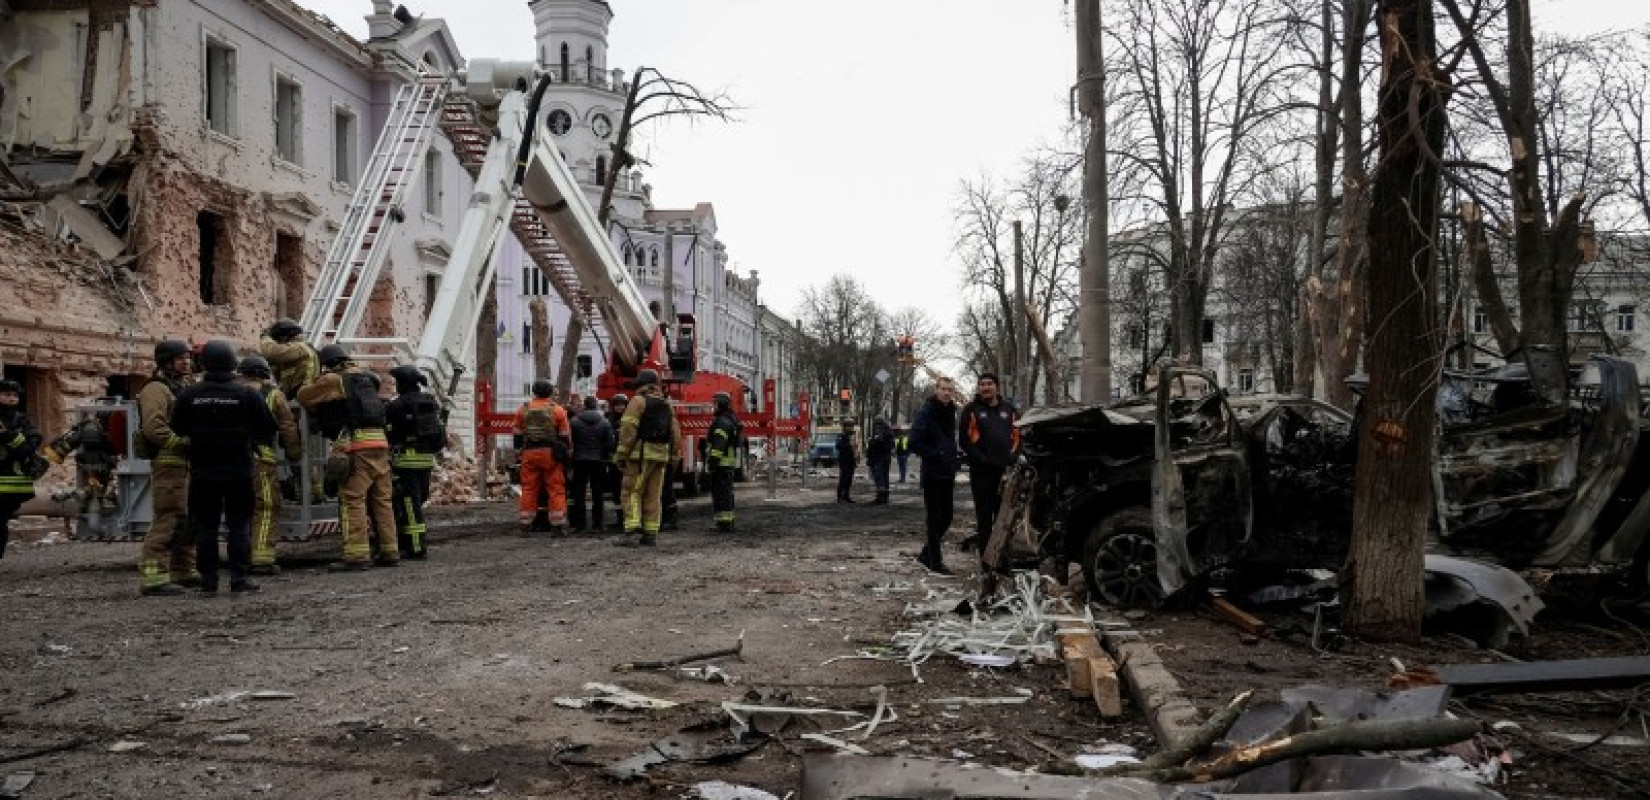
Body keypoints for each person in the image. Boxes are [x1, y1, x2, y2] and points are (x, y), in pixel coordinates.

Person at [172, 341, 278, 594]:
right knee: (239, 526)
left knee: (206, 526)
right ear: (233, 364)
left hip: (202, 471)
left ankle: (209, 582)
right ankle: (239, 579)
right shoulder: (248, 394)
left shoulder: (189, 395)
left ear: (203, 363)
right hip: (239, 470)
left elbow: (177, 428)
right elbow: (268, 429)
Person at [298, 344, 399, 570]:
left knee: (352, 498)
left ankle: (356, 556)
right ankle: (390, 550)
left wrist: (314, 380)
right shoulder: (366, 380)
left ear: (330, 365)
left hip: (358, 445)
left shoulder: (335, 380)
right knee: (381, 500)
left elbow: (303, 396)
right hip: (380, 443)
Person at [135, 339, 198, 596]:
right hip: (169, 462)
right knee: (169, 517)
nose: (187, 362)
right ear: (165, 362)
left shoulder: (184, 387)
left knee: (188, 518)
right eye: (180, 358)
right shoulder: (156, 389)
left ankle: (183, 570)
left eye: (188, 357)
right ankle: (154, 577)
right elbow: (153, 426)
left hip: (188, 462)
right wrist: (180, 444)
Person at [237, 356, 301, 575]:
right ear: (263, 373)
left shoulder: (227, 391)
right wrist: (294, 455)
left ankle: (238, 555)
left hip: (225, 460)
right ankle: (262, 557)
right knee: (265, 506)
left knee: (237, 509)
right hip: (259, 459)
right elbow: (287, 427)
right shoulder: (272, 395)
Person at [385, 365, 444, 559]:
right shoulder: (430, 402)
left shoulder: (395, 406)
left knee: (410, 505)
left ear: (402, 383)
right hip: (426, 460)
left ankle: (417, 547)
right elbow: (439, 436)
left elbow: (390, 434)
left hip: (405, 463)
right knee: (418, 501)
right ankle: (409, 541)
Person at [615, 369, 679, 547]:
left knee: (631, 491)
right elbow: (675, 432)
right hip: (661, 456)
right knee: (653, 494)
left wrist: (622, 454)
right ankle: (650, 533)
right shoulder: (666, 404)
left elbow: (628, 428)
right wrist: (674, 457)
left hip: (639, 455)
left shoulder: (637, 401)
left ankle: (632, 532)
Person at [958, 373, 1020, 552]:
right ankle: (986, 563)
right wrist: (981, 458)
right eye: (982, 384)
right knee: (984, 519)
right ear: (978, 388)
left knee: (1004, 518)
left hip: (1005, 473)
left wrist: (1013, 456)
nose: (986, 387)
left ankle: (1002, 559)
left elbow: (1018, 435)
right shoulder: (971, 409)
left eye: (989, 384)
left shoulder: (1009, 410)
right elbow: (964, 440)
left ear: (996, 387)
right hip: (981, 474)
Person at [909, 377, 962, 575]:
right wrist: (937, 454)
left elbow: (948, 440)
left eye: (950, 389)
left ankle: (926, 553)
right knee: (934, 518)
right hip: (932, 472)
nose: (947, 393)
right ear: (936, 390)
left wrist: (954, 457)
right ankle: (935, 561)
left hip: (947, 472)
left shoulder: (951, 412)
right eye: (943, 389)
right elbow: (914, 442)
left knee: (947, 517)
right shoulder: (926, 412)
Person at [512, 379, 572, 535]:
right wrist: (566, 452)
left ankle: (525, 523)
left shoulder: (523, 409)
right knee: (555, 487)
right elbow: (564, 435)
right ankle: (557, 525)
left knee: (529, 488)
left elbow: (517, 433)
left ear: (534, 392)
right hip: (550, 453)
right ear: (550, 392)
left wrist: (518, 451)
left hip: (529, 453)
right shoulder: (557, 410)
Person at [0, 379, 43, 560]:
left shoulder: (22, 420)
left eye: (15, 395)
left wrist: (8, 436)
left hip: (10, 483)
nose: (11, 398)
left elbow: (30, 446)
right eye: (7, 394)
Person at [568, 395, 614, 534]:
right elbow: (609, 443)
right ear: (596, 406)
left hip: (580, 460)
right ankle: (598, 524)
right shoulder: (605, 422)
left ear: (585, 406)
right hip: (598, 461)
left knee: (579, 493)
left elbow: (571, 441)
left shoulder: (575, 421)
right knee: (597, 493)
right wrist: (604, 456)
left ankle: (580, 524)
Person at [706, 391, 742, 531]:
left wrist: (712, 462)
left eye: (715, 403)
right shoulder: (728, 420)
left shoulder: (722, 422)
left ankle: (725, 524)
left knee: (722, 494)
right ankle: (725, 522)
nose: (713, 406)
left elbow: (719, 445)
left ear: (721, 404)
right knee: (725, 493)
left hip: (721, 464)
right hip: (725, 464)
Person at [260, 319, 320, 399]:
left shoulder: (300, 347)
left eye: (277, 340)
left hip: (303, 393)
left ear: (284, 337)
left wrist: (265, 338)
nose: (278, 343)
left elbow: (272, 352)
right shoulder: (293, 353)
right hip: (298, 394)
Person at [604, 393, 629, 531]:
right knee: (616, 492)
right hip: (613, 463)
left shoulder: (630, 419)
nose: (620, 407)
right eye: (617, 405)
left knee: (627, 491)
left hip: (627, 463)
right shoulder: (608, 420)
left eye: (622, 405)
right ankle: (620, 519)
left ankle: (628, 519)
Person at [866, 418, 894, 505]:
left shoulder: (887, 434)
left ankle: (882, 497)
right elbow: (871, 446)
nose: (877, 428)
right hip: (877, 458)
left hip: (881, 459)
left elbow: (887, 447)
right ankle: (881, 497)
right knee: (880, 478)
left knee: (881, 478)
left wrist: (875, 443)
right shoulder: (879, 433)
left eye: (878, 425)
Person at [835, 419, 859, 503]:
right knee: (843, 478)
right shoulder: (841, 435)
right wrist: (847, 443)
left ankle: (846, 495)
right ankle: (840, 497)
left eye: (851, 426)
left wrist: (857, 457)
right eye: (848, 426)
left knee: (849, 479)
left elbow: (856, 446)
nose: (850, 428)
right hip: (844, 459)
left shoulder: (853, 435)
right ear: (844, 427)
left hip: (851, 459)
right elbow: (838, 446)